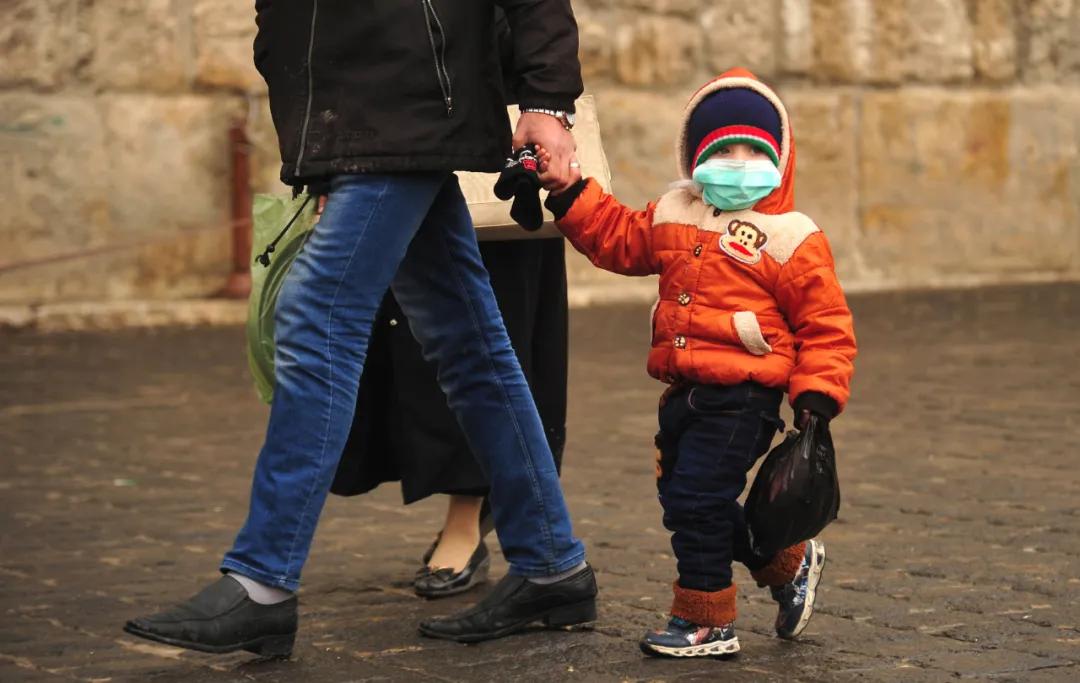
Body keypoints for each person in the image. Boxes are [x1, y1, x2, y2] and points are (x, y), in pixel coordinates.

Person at [123, 0, 596, 657]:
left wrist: (547, 98)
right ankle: (552, 564)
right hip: (364, 121)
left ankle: (261, 580)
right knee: (470, 343)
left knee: (317, 320)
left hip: (411, 106)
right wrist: (316, 151)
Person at [536, 68, 857, 658]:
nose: (737, 162)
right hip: (683, 392)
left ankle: (706, 618)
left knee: (698, 502)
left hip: (746, 396)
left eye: (752, 151)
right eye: (723, 150)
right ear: (696, 155)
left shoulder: (792, 237)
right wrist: (567, 191)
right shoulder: (674, 212)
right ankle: (786, 563)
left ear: (779, 158)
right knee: (686, 501)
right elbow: (617, 237)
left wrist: (816, 396)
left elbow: (827, 326)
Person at [334, 235, 569, 598]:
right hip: (394, 185)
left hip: (498, 191)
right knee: (395, 315)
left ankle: (468, 514)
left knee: (489, 313)